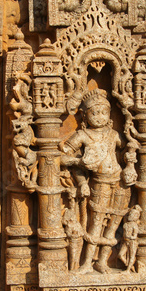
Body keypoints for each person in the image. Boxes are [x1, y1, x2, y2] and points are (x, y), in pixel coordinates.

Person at [60, 89, 130, 274]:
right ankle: (86, 263)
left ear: (109, 114)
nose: (99, 117)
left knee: (113, 224)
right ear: (85, 115)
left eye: (104, 112)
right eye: (94, 113)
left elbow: (126, 152)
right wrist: (81, 168)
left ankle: (102, 262)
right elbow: (62, 158)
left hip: (120, 182)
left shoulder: (114, 134)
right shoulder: (82, 136)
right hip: (98, 183)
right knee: (96, 223)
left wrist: (130, 160)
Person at [118, 206, 140, 272]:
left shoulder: (134, 225)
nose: (130, 216)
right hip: (125, 241)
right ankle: (128, 265)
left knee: (131, 256)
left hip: (132, 242)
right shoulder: (126, 224)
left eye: (132, 215)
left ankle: (128, 270)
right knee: (120, 255)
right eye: (130, 214)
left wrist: (129, 237)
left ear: (136, 217)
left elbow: (135, 236)